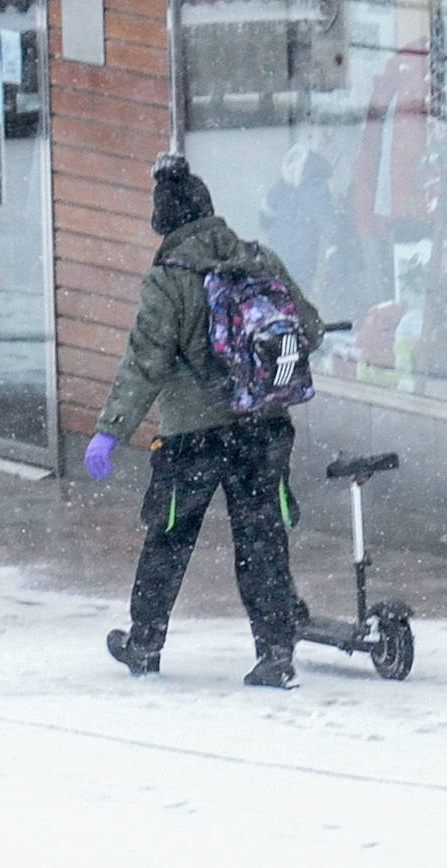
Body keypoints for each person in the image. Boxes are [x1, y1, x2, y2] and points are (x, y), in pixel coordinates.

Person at [84, 152, 324, 688]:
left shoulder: (167, 281)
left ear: (165, 223)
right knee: (261, 539)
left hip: (191, 437)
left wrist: (111, 430)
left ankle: (144, 643)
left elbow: (145, 362)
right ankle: (275, 652)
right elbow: (309, 328)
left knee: (169, 537)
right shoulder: (259, 261)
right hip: (263, 426)